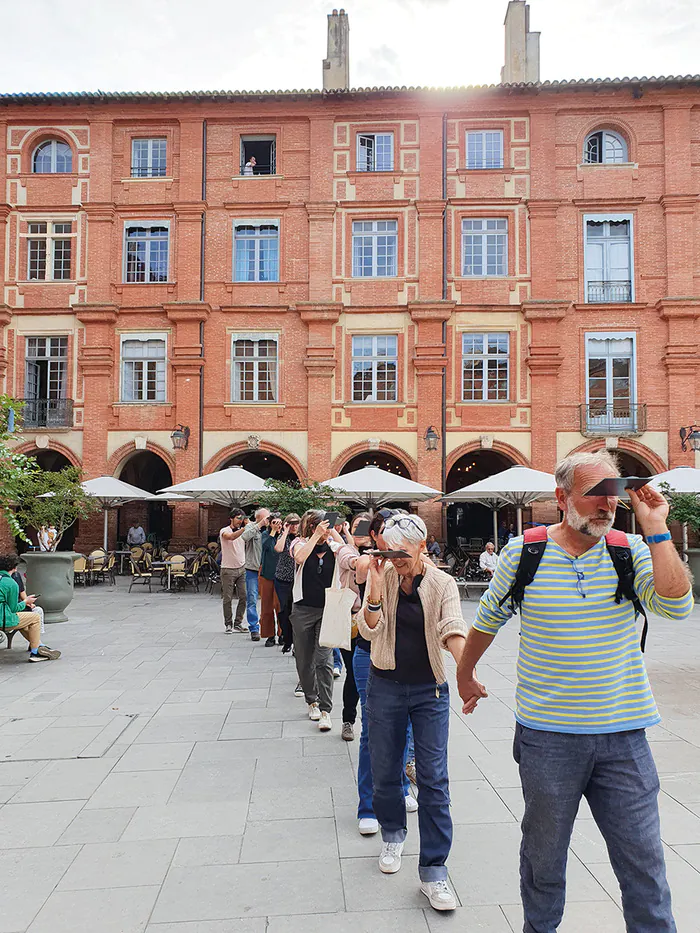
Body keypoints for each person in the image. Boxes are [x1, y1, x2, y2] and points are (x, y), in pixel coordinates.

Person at [457, 450, 694, 933]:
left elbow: (676, 608)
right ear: (561, 497)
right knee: (543, 865)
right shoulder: (525, 552)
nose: (607, 505)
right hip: (549, 738)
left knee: (645, 870)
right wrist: (465, 673)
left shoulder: (633, 549)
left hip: (625, 739)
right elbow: (488, 619)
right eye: (595, 494)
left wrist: (658, 528)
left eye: (613, 494)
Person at [358, 513, 467, 910]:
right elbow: (368, 630)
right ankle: (393, 833)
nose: (396, 560)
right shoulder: (383, 576)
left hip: (430, 691)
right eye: (390, 553)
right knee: (385, 771)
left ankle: (435, 871)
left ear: (423, 546)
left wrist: (465, 669)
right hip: (384, 685)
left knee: (434, 779)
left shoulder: (443, 583)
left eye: (402, 553)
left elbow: (452, 625)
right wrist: (372, 585)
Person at [338, 510, 417, 832]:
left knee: (405, 727)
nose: (393, 538)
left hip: (406, 658)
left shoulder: (416, 566)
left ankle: (400, 784)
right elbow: (358, 571)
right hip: (369, 654)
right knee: (373, 730)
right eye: (386, 531)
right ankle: (368, 805)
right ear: (374, 536)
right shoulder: (366, 562)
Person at [290, 510, 336, 732]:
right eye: (321, 527)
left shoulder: (333, 546)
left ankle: (326, 709)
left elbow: (350, 553)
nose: (326, 531)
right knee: (304, 659)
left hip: (327, 609)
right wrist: (315, 537)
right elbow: (299, 558)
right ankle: (312, 701)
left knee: (324, 660)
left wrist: (336, 534)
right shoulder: (299, 543)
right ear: (311, 527)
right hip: (302, 610)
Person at [0, 554, 60, 662]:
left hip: (3, 616)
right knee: (35, 617)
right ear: (14, 568)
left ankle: (38, 646)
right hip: (3, 620)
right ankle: (36, 651)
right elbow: (14, 609)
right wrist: (26, 602)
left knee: (25, 621)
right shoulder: (11, 583)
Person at [240, 508, 271, 643]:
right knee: (252, 598)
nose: (267, 520)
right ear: (258, 518)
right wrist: (259, 525)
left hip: (268, 569)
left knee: (269, 600)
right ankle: (254, 628)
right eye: (265, 518)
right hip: (252, 568)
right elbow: (245, 537)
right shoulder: (251, 526)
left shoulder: (273, 529)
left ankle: (270, 629)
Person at [274, 513, 301, 653]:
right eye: (291, 524)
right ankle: (287, 638)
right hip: (283, 579)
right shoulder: (283, 537)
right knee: (285, 610)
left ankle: (296, 642)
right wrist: (285, 531)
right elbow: (278, 549)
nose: (294, 527)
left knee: (296, 611)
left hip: (298, 579)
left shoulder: (302, 538)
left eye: (297, 523)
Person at [219, 509, 248, 634]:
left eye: (241, 518)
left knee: (244, 596)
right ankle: (228, 624)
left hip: (241, 568)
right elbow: (230, 537)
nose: (240, 521)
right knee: (228, 598)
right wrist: (245, 528)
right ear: (231, 518)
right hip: (228, 569)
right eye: (238, 518)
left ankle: (238, 623)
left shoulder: (243, 532)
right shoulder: (224, 530)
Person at [260, 515, 283, 647]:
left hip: (281, 574)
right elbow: (265, 547)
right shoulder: (265, 534)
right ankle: (269, 635)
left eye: (279, 523)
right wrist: (273, 532)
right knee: (267, 606)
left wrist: (281, 532)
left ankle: (282, 633)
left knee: (280, 605)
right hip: (267, 573)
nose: (277, 525)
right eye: (274, 522)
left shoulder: (283, 536)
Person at [12, 566, 44, 635]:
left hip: (18, 607)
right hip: (10, 612)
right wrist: (25, 602)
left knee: (38, 610)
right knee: (34, 617)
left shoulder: (16, 575)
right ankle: (37, 643)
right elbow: (12, 606)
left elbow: (22, 591)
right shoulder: (6, 581)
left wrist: (28, 602)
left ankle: (37, 641)